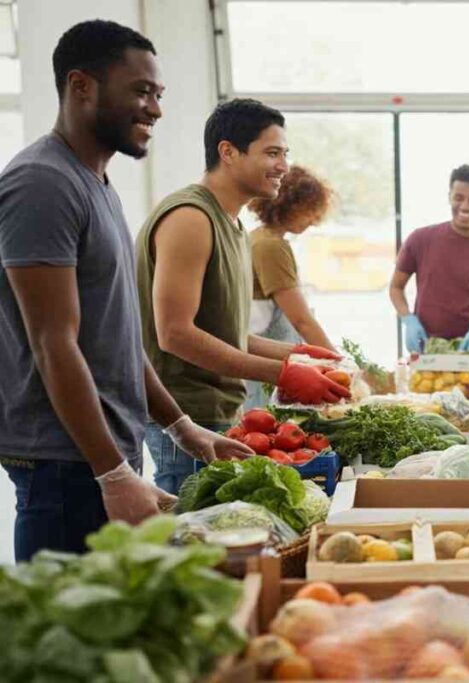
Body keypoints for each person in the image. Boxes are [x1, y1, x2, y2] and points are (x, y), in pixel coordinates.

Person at [0, 20, 250, 561]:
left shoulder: (98, 185)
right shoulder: (41, 183)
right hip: (66, 463)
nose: (156, 109)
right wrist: (111, 471)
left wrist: (182, 428)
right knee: (68, 634)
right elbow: (53, 342)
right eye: (140, 91)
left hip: (101, 453)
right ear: (81, 86)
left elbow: (117, 337)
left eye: (158, 94)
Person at [137, 99, 346, 495]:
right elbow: (174, 334)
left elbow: (227, 333)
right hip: (184, 418)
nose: (283, 166)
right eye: (272, 153)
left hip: (217, 412)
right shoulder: (190, 218)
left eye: (285, 154)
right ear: (228, 152)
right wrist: (283, 374)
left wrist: (298, 355)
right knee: (193, 542)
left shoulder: (231, 225)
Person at [390, 164, 469, 354]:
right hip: (428, 349)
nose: (465, 206)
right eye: (459, 198)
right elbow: (396, 287)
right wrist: (408, 319)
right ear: (449, 196)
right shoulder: (420, 239)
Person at [245, 165, 335, 409]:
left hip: (265, 363)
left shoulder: (260, 238)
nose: (314, 221)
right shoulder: (270, 247)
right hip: (265, 369)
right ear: (291, 205)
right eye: (310, 210)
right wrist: (338, 362)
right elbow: (301, 319)